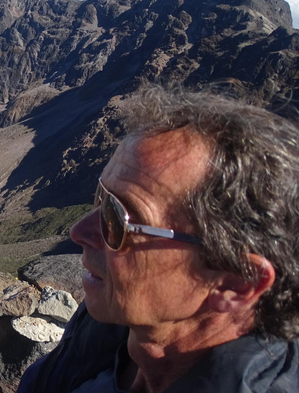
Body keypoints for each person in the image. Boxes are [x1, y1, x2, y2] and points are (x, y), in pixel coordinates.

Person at [18, 85, 299, 393]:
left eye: (116, 219)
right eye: (100, 196)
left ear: (235, 283)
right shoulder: (111, 323)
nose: (79, 232)